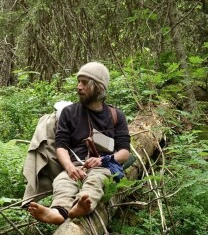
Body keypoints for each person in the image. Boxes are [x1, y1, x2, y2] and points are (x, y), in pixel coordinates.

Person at [27, 62, 131, 225]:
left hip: (103, 167)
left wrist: (102, 160)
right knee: (62, 182)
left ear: (99, 87)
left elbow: (124, 152)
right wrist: (69, 168)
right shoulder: (69, 113)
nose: (79, 87)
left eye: (84, 83)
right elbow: (61, 146)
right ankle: (57, 212)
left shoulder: (116, 115)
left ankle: (82, 205)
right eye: (79, 81)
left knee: (95, 180)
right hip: (76, 166)